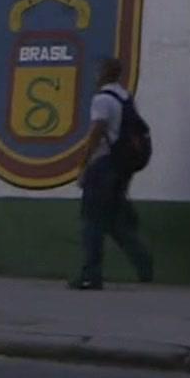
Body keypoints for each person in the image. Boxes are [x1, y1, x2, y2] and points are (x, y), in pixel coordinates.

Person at [69, 57, 154, 290]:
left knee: (92, 221)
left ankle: (91, 274)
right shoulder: (125, 98)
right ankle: (144, 264)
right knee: (117, 222)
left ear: (103, 73)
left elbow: (96, 133)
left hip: (103, 165)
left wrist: (83, 165)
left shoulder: (102, 100)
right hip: (121, 166)